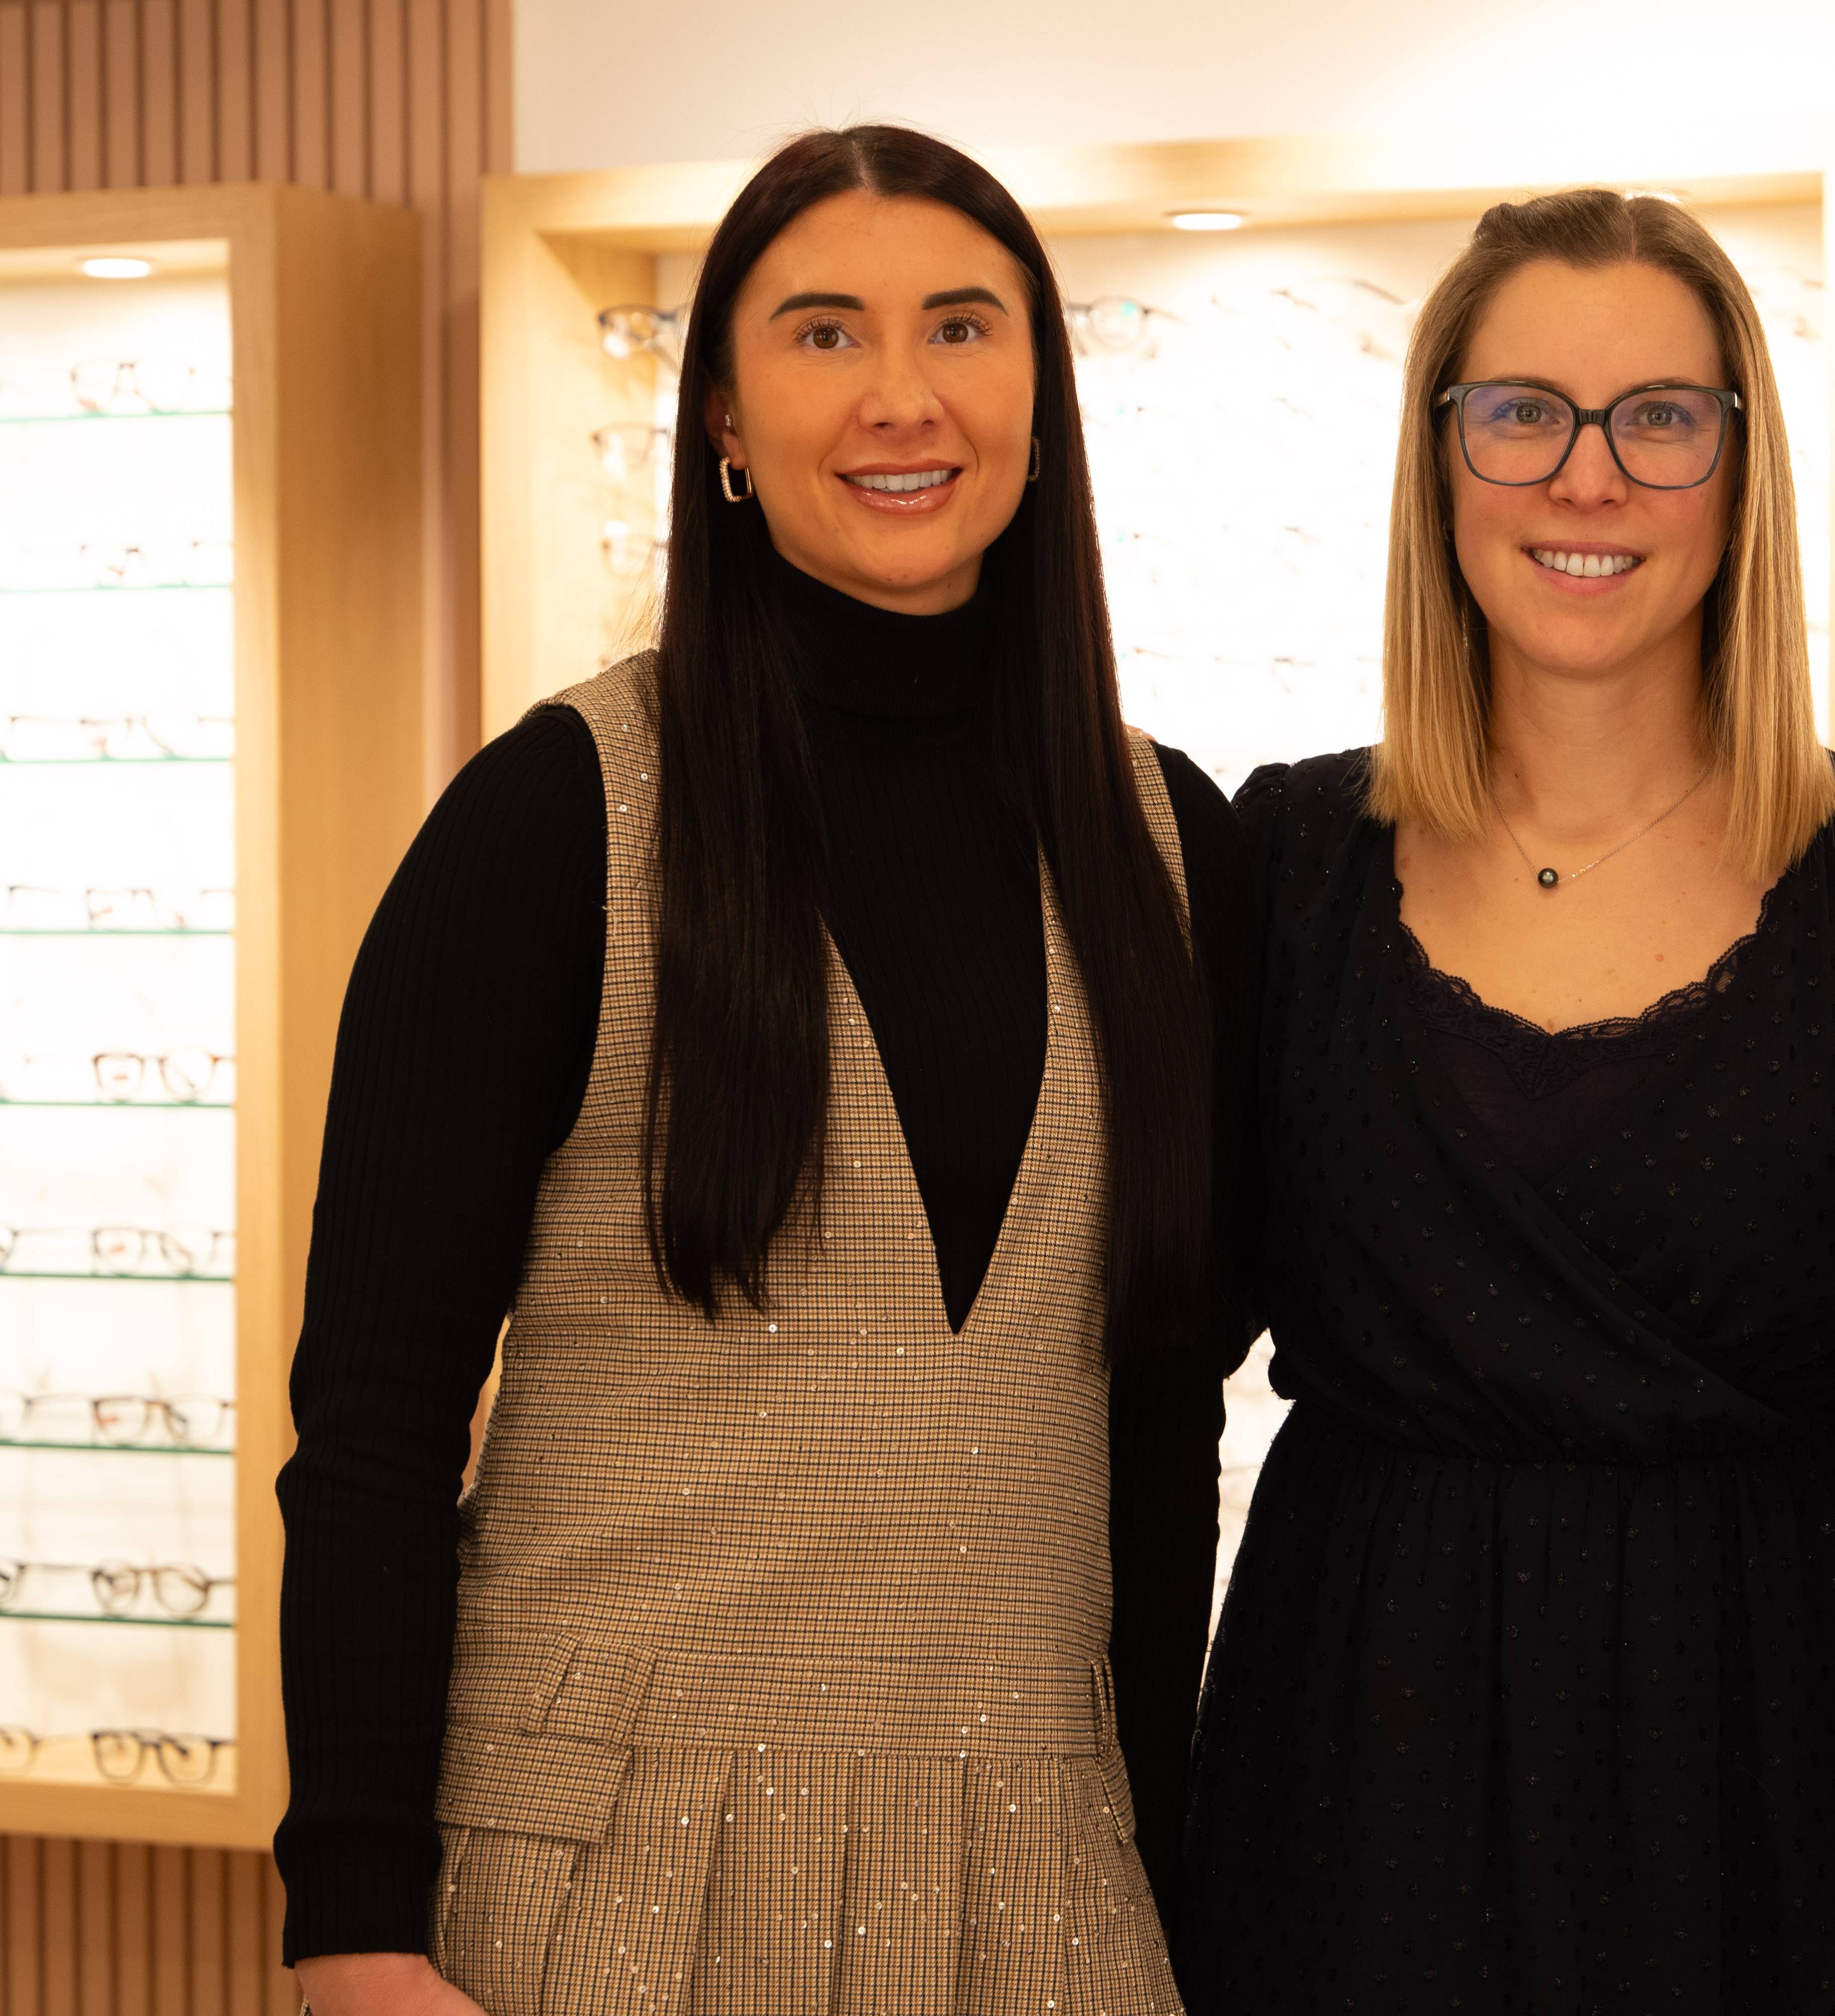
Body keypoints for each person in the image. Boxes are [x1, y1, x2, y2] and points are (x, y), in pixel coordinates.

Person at [274, 125, 1251, 2016]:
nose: (903, 395)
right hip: (597, 1894)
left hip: (1052, 1889)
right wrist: (357, 1926)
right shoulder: (558, 821)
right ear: (724, 408)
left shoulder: (1169, 850)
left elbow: (1160, 1432)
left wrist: (1180, 1880)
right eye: (823, 335)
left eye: (962, 327)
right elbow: (379, 1420)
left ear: (1040, 394)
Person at [1181, 190, 1835, 2016]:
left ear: (1740, 467)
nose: (1587, 477)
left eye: (1661, 418)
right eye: (1521, 412)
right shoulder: (1288, 862)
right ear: (1442, 456)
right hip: (1352, 1751)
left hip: (1760, 1759)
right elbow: (1140, 1361)